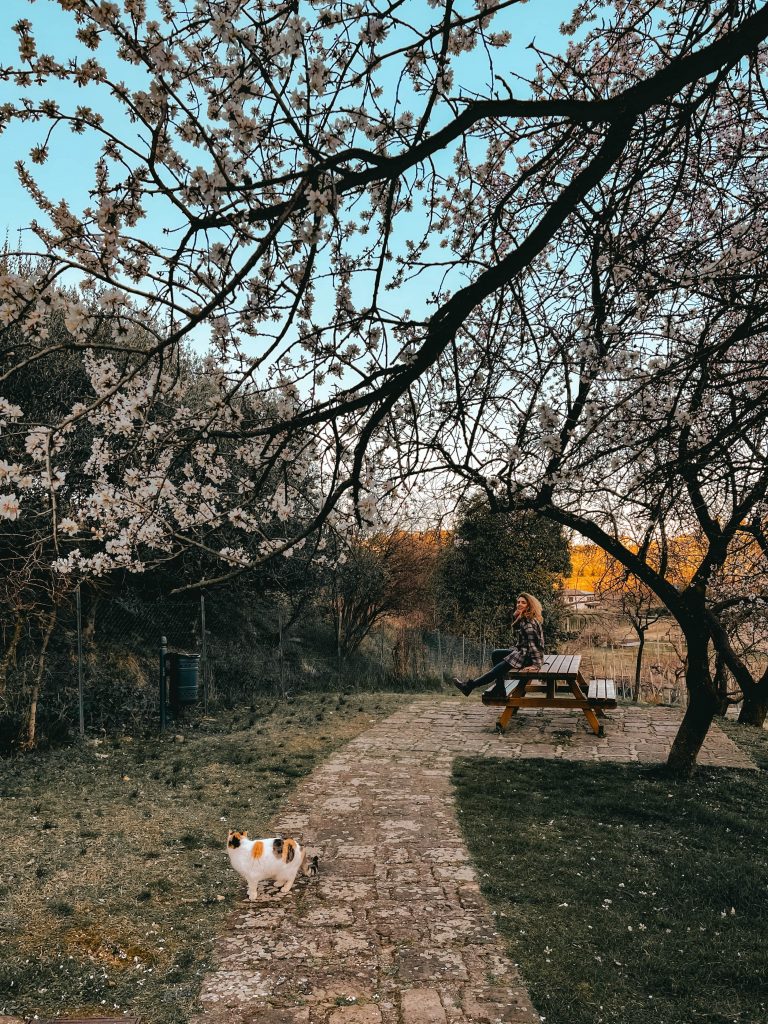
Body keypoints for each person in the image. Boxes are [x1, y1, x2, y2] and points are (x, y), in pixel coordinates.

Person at [452, 593, 545, 698]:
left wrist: (536, 665)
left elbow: (534, 645)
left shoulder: (528, 622)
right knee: (496, 654)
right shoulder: (525, 618)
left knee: (496, 671)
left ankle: (469, 686)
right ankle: (499, 688)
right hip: (523, 653)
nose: (519, 604)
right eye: (518, 602)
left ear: (529, 605)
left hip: (527, 657)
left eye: (523, 602)